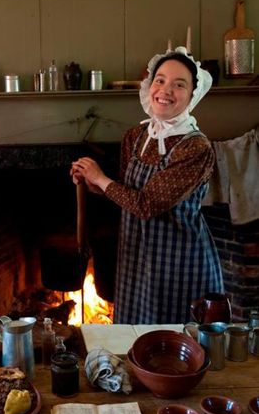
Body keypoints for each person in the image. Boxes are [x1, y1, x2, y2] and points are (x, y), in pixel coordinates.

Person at [71, 47, 223, 324]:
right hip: (136, 258)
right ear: (149, 85)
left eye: (179, 84)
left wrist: (101, 178)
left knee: (172, 347)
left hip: (178, 262)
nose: (165, 90)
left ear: (192, 96)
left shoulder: (195, 146)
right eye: (160, 80)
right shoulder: (137, 136)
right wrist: (91, 181)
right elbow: (128, 195)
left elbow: (146, 205)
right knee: (134, 342)